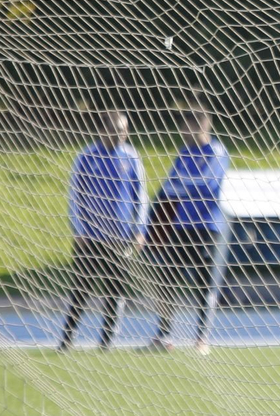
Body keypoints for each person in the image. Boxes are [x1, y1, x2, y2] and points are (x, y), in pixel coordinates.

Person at [58, 110, 146, 351]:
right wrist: (79, 229)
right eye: (116, 129)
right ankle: (67, 339)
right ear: (102, 130)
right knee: (81, 290)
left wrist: (139, 229)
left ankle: (106, 343)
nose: (121, 134)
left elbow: (141, 196)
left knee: (115, 291)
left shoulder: (132, 156)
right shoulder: (86, 157)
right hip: (90, 238)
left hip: (120, 237)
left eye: (124, 130)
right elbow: (75, 196)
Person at [145, 107, 230, 355]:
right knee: (166, 280)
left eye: (186, 126)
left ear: (202, 125)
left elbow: (206, 183)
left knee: (204, 284)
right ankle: (163, 335)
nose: (182, 131)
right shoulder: (184, 153)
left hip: (207, 226)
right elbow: (169, 187)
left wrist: (182, 185)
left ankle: (202, 339)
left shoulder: (217, 151)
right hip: (181, 226)